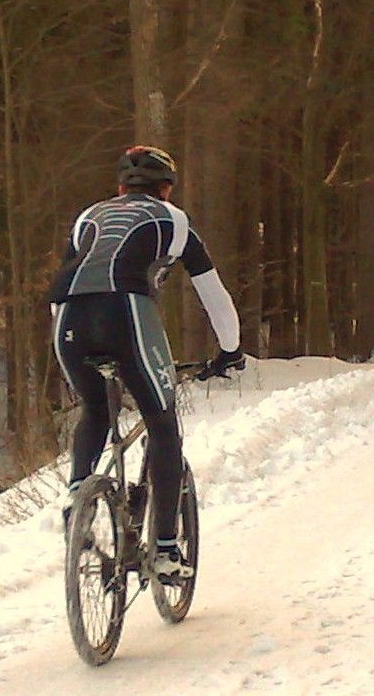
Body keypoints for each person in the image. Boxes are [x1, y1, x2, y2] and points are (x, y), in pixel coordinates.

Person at [49, 145, 244, 579]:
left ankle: (78, 495)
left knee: (96, 408)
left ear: (120, 188)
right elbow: (213, 295)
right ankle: (166, 551)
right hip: (126, 312)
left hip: (67, 318)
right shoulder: (174, 220)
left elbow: (65, 283)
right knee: (161, 422)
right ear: (167, 189)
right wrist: (230, 351)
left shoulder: (88, 217)